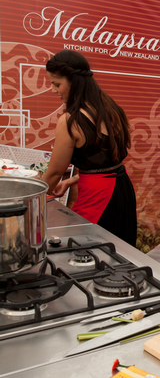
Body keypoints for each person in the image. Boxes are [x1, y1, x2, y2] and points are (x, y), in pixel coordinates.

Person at [42, 50, 137, 247]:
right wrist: (73, 180)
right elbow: (106, 160)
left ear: (74, 82)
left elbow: (54, 173)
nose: (53, 90)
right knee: (119, 250)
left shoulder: (70, 120)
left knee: (86, 249)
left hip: (99, 195)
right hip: (122, 187)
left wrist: (31, 200)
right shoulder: (110, 107)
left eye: (56, 83)